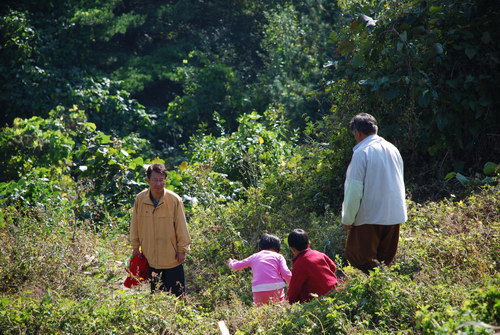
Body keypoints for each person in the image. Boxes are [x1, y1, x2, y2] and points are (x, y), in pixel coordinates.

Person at [341, 113, 407, 274]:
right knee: (384, 261)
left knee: (359, 257)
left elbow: (354, 190)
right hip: (394, 214)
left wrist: (348, 218)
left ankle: (387, 286)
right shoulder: (393, 149)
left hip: (369, 216)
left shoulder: (362, 152)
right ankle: (382, 292)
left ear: (357, 133)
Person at [130, 163, 191, 296]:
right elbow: (135, 225)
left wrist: (182, 250)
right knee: (156, 296)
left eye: (161, 180)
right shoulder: (140, 199)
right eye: (155, 180)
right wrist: (135, 247)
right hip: (150, 258)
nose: (158, 183)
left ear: (166, 180)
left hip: (172, 258)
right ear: (148, 180)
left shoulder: (174, 200)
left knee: (177, 297)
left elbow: (181, 227)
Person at [228, 233, 292, 306]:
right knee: (279, 308)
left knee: (260, 311)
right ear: (277, 247)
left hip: (258, 289)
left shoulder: (255, 256)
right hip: (276, 287)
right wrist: (292, 285)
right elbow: (285, 273)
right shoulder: (278, 256)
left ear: (261, 246)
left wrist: (231, 262)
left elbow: (236, 266)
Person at [287, 229, 338, 304]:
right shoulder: (319, 254)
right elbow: (333, 267)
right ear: (309, 243)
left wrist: (288, 301)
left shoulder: (299, 263)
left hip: (319, 301)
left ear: (293, 249)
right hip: (335, 291)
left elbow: (294, 289)